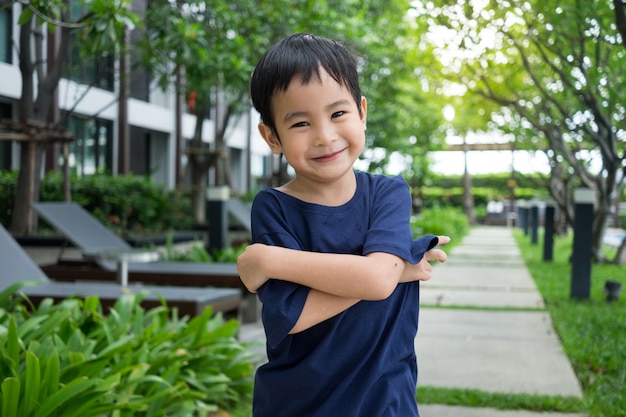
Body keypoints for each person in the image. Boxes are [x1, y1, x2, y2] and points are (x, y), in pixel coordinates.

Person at [237, 33, 450, 417]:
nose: (325, 136)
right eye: (300, 122)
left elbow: (377, 280)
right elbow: (295, 315)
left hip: (384, 402)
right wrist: (396, 269)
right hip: (298, 404)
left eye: (338, 114)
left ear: (362, 112)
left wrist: (269, 261)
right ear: (272, 136)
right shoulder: (274, 208)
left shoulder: (387, 194)